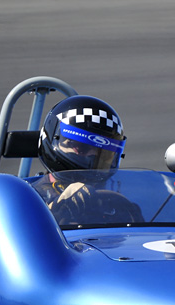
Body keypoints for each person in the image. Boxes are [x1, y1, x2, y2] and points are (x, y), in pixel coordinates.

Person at [31, 95, 141, 224]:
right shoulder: (28, 198)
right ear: (52, 139)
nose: (92, 157)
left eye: (104, 154)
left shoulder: (121, 205)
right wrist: (57, 210)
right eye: (81, 148)